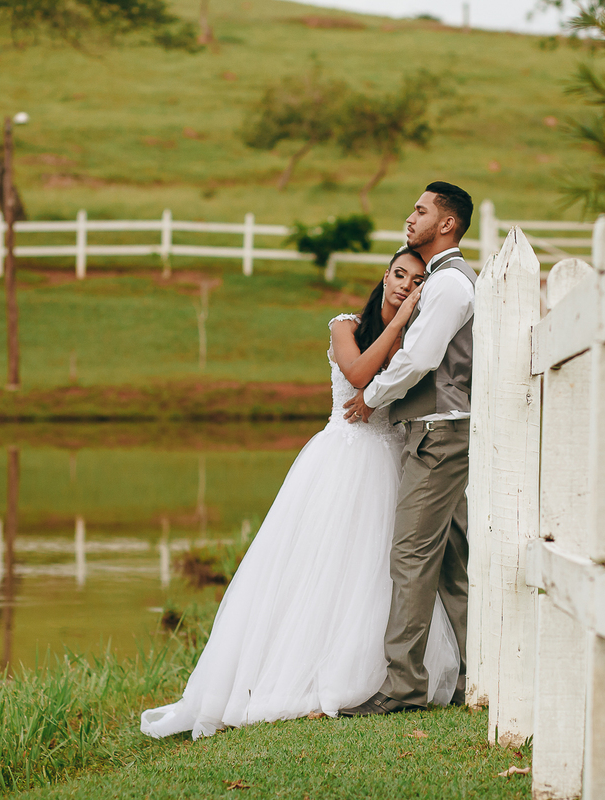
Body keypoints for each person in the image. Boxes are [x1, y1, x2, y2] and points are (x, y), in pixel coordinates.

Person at [140, 247, 461, 740]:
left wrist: (407, 329)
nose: (405, 286)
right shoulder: (346, 326)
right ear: (386, 275)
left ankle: (387, 674)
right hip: (342, 461)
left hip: (393, 460)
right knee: (320, 565)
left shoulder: (419, 338)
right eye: (399, 275)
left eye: (417, 281)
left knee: (384, 568)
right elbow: (357, 376)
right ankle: (298, 670)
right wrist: (397, 325)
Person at [340, 181, 475, 717]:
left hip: (438, 432)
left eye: (420, 210)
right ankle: (474, 676)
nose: (409, 217)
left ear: (446, 223)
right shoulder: (445, 280)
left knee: (411, 557)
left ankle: (403, 688)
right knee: (452, 562)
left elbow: (419, 359)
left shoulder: (448, 285)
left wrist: (370, 398)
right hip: (447, 429)